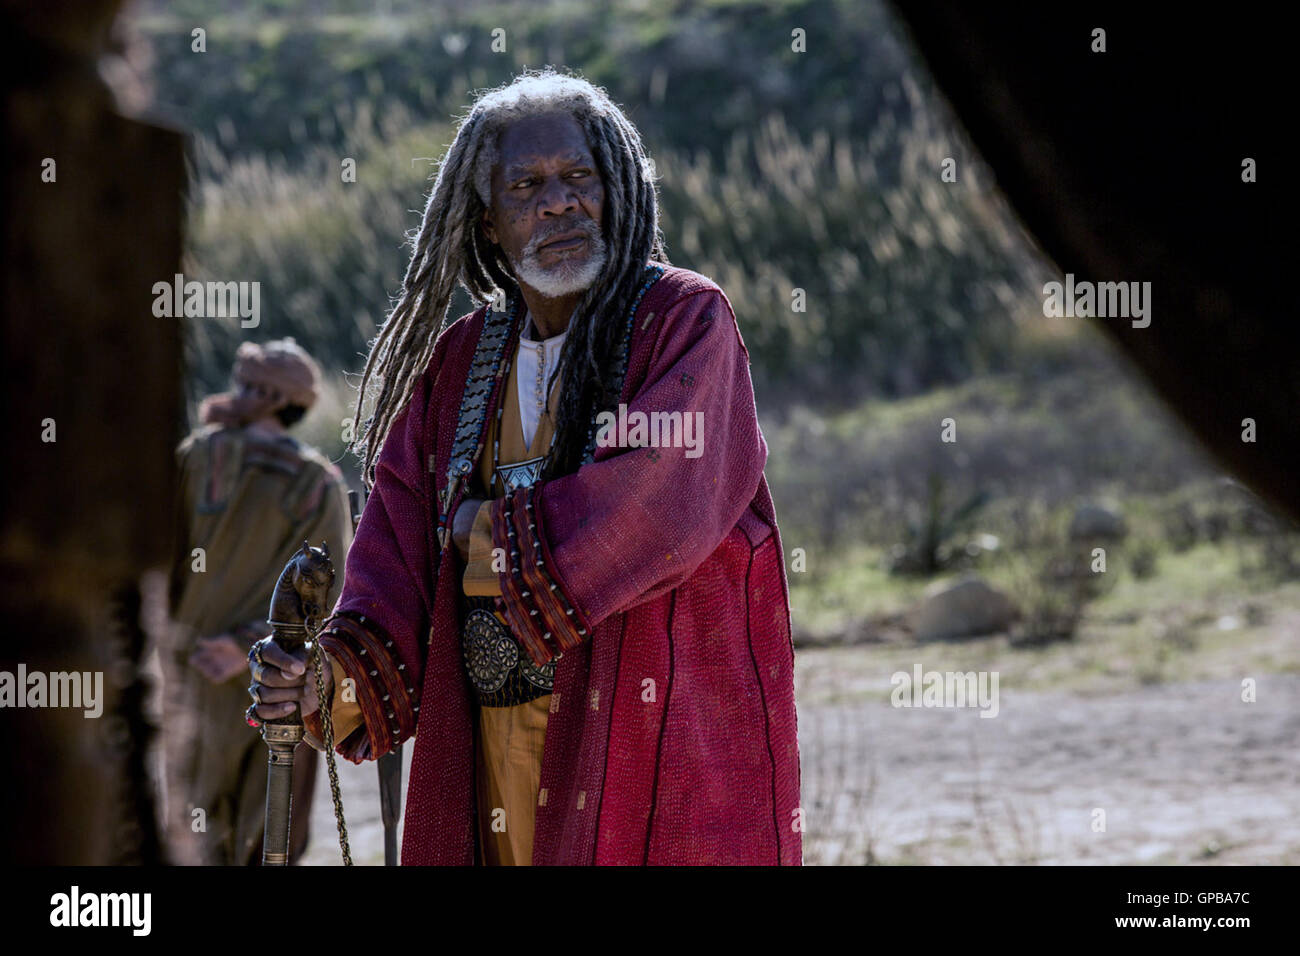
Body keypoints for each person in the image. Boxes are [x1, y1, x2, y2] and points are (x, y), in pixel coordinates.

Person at [249, 69, 801, 865]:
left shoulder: (683, 319)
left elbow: (654, 509)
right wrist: (323, 682)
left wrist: (482, 527)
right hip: (488, 750)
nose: (559, 202)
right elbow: (395, 566)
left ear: (617, 190)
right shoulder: (459, 362)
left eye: (581, 177)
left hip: (645, 750)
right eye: (527, 186)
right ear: (487, 222)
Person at [166, 338, 353, 865]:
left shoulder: (195, 458)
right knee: (269, 838)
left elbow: (159, 567)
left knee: (193, 835)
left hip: (194, 676)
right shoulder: (320, 483)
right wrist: (244, 647)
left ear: (265, 394)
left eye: (247, 386)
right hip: (276, 681)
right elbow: (328, 597)